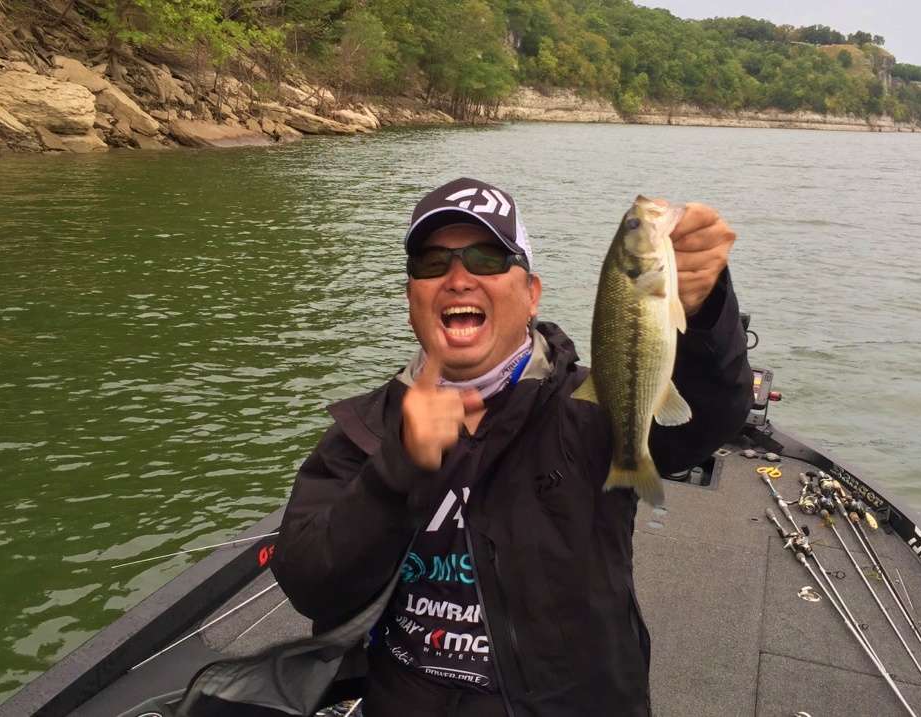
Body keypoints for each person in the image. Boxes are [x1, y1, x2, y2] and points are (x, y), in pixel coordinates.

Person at [271, 178, 753, 717]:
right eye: (432, 263)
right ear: (411, 301)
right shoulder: (363, 430)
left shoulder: (593, 408)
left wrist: (707, 311)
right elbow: (311, 584)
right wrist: (393, 472)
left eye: (487, 258)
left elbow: (709, 420)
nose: (458, 279)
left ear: (531, 294)